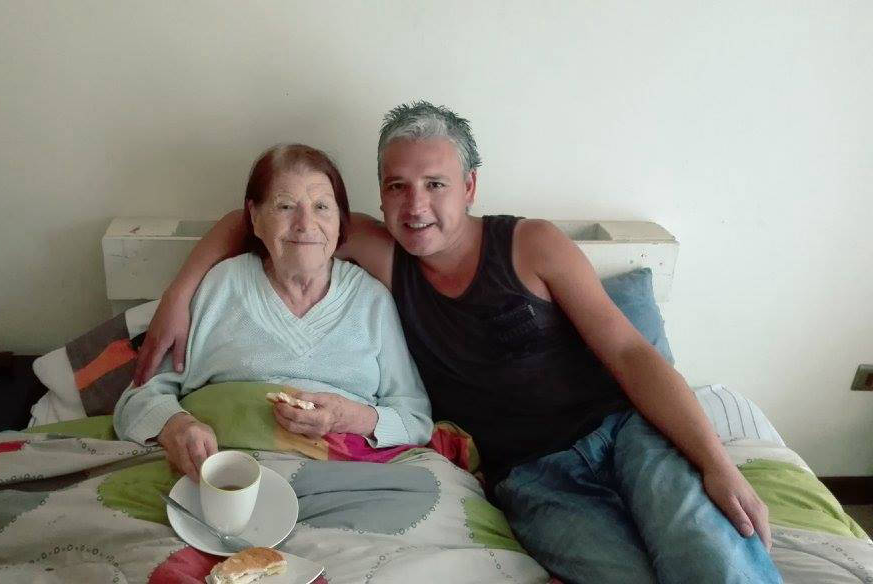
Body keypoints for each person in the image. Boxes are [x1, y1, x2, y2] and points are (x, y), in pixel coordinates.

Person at [132, 103, 781, 583]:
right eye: (397, 186)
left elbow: (634, 354)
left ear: (470, 186)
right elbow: (263, 214)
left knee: (712, 555)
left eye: (436, 184)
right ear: (380, 194)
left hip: (623, 433)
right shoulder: (381, 256)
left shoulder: (530, 245)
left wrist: (716, 464)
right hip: (529, 477)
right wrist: (180, 293)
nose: (416, 205)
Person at [114, 144, 433, 482]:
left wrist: (347, 417)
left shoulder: (371, 300)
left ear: (340, 221)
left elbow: (415, 418)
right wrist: (177, 427)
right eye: (285, 206)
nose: (305, 224)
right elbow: (139, 399)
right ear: (255, 218)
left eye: (322, 207)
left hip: (345, 481)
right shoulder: (220, 285)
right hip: (225, 476)